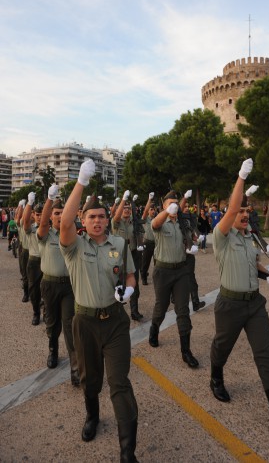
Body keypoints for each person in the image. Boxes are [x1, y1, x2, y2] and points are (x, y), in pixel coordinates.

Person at [210, 158, 269, 433]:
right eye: (239, 211)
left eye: (246, 212)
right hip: (229, 304)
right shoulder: (222, 236)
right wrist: (240, 178)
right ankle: (216, 377)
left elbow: (255, 265)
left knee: (265, 356)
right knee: (222, 347)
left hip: (254, 304)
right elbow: (231, 208)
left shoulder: (250, 238)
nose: (243, 214)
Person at [59, 159, 139, 461]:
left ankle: (127, 451)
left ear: (107, 220)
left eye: (101, 217)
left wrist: (128, 290)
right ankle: (92, 415)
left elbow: (129, 275)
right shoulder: (74, 246)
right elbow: (65, 224)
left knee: (119, 382)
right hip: (86, 323)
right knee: (90, 379)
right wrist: (80, 182)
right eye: (91, 216)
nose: (97, 221)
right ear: (84, 219)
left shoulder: (119, 242)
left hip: (115, 323)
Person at [148, 190, 199, 368]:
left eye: (176, 204)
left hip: (181, 271)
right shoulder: (161, 222)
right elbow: (155, 223)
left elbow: (191, 237)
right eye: (170, 203)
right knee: (161, 308)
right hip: (163, 271)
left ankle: (186, 351)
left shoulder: (182, 224)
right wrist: (167, 211)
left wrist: (194, 240)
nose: (174, 206)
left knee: (183, 310)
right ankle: (154, 329)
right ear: (164, 206)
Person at [37, 185, 79, 386]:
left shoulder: (73, 235)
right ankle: (53, 350)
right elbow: (43, 222)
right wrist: (49, 200)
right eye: (57, 213)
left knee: (70, 325)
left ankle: (75, 367)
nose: (60, 216)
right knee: (52, 323)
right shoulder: (46, 234)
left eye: (63, 212)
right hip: (50, 285)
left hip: (69, 287)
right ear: (52, 216)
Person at [112, 192, 144, 321]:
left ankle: (134, 311)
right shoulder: (116, 222)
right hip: (118, 256)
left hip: (133, 254)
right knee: (117, 285)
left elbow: (141, 234)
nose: (126, 210)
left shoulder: (135, 222)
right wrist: (123, 201)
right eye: (124, 208)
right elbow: (116, 216)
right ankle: (117, 310)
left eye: (128, 208)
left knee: (133, 284)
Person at [23, 194, 44, 325]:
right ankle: (36, 312)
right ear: (33, 215)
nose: (40, 216)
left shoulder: (51, 229)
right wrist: (29, 203)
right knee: (34, 289)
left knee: (48, 289)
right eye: (37, 214)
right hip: (34, 261)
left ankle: (47, 311)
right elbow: (25, 222)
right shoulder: (31, 228)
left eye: (42, 214)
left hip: (48, 261)